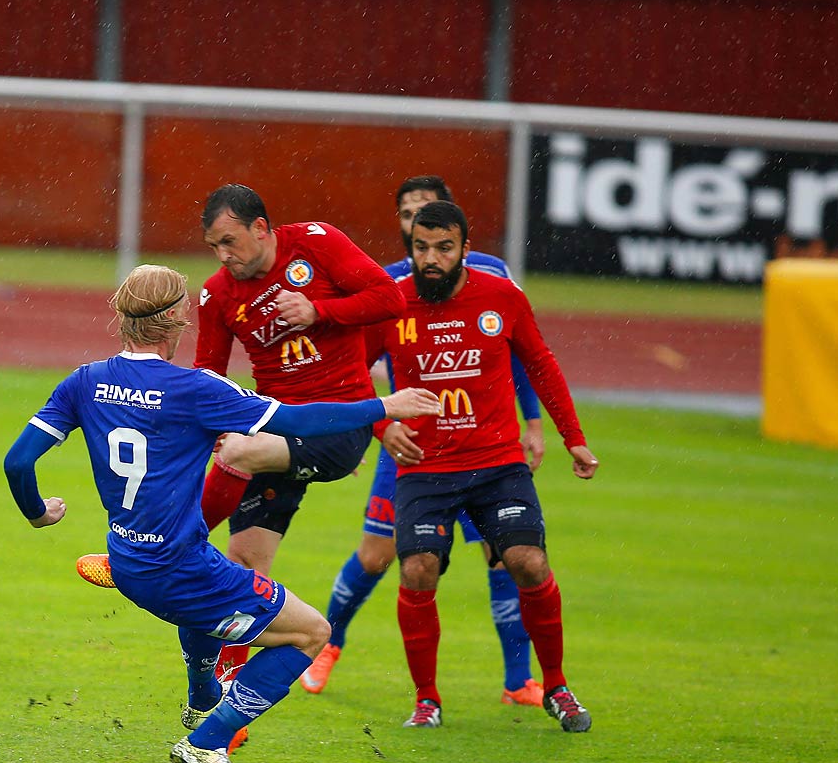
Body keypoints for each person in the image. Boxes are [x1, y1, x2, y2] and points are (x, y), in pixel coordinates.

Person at [5, 265, 444, 763]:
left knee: (207, 592)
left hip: (128, 560)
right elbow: (296, 423)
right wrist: (383, 407)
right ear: (176, 321)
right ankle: (207, 741)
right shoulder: (196, 388)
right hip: (177, 569)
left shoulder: (84, 381)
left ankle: (200, 698)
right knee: (312, 634)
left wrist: (38, 513)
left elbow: (17, 462)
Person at [77, 185, 406, 693]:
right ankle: (226, 708)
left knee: (237, 450)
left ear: (260, 228)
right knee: (244, 567)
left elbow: (390, 298)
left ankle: (158, 551)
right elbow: (206, 373)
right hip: (276, 433)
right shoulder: (219, 294)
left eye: (230, 241)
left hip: (335, 428)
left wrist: (321, 312)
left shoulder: (318, 244)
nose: (223, 255)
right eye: (214, 247)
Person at [301, 176, 547, 706]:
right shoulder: (386, 284)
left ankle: (518, 679)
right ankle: (327, 645)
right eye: (408, 215)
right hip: (412, 447)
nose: (416, 222)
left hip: (481, 444)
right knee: (377, 554)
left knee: (505, 554)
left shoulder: (494, 277)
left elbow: (521, 354)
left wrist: (532, 422)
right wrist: (376, 427)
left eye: (425, 213)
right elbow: (354, 365)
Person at [378, 199, 597, 733]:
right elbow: (350, 372)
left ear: (464, 250)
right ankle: (426, 698)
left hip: (497, 463)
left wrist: (573, 437)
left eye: (444, 248)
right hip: (426, 468)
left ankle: (557, 686)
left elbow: (540, 362)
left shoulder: (501, 296)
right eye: (422, 248)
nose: (432, 258)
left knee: (528, 561)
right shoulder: (389, 303)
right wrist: (383, 426)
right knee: (416, 570)